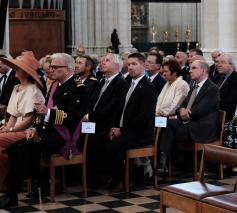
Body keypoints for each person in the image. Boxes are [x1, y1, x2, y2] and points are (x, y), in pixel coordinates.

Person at [0, 53, 89, 208]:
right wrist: (34, 128)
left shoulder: (79, 88)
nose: (51, 69)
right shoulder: (55, 85)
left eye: (55, 67)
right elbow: (41, 112)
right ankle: (41, 181)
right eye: (51, 66)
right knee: (12, 148)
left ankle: (11, 194)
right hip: (47, 132)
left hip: (64, 136)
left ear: (68, 69)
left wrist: (48, 113)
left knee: (23, 149)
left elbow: (72, 118)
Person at [106, 53, 157, 191]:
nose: (130, 67)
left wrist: (122, 130)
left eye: (134, 64)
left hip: (140, 133)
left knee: (112, 147)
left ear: (143, 66)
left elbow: (143, 117)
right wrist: (115, 127)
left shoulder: (148, 87)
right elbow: (119, 109)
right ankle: (116, 175)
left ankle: (120, 179)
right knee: (103, 142)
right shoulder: (128, 84)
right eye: (128, 64)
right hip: (126, 129)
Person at [158, 60, 220, 172]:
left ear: (204, 70)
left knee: (167, 127)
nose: (190, 71)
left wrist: (183, 114)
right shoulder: (193, 86)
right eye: (190, 68)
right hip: (189, 122)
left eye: (194, 68)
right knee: (164, 124)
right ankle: (164, 160)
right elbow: (183, 105)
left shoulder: (212, 88)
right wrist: (182, 110)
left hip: (202, 127)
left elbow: (200, 110)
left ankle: (165, 161)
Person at [0, 53, 45, 193]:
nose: (14, 69)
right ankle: (5, 183)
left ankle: (9, 183)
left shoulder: (33, 90)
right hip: (15, 129)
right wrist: (7, 127)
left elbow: (29, 120)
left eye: (17, 68)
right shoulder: (16, 88)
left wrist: (10, 130)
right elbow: (13, 115)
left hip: (29, 132)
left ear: (25, 72)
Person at [87, 53, 128, 187]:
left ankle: (104, 176)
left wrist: (89, 117)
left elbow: (112, 108)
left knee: (94, 141)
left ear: (117, 65)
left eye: (107, 60)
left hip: (108, 123)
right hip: (95, 121)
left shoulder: (121, 83)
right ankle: (90, 175)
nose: (102, 62)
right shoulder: (102, 80)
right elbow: (92, 102)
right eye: (102, 60)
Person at [216, 54, 237, 122]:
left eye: (222, 62)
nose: (218, 65)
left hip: (226, 118)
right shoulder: (217, 78)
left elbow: (230, 103)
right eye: (218, 62)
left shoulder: (235, 79)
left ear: (231, 65)